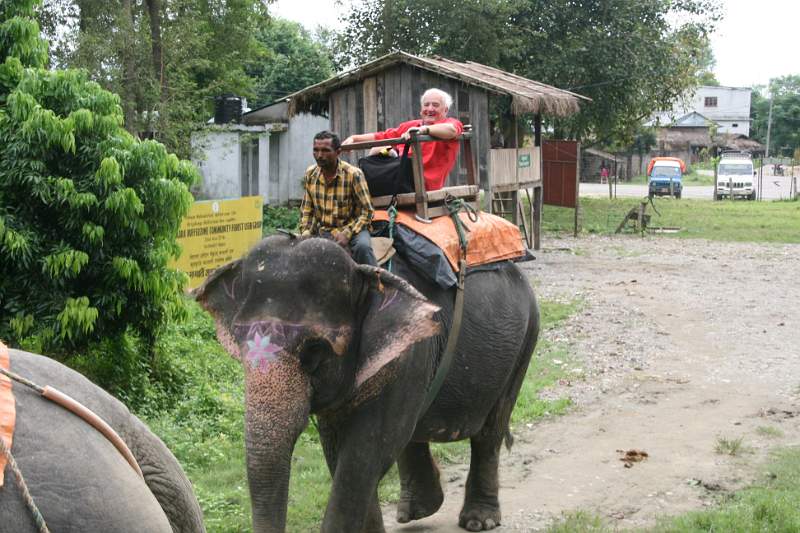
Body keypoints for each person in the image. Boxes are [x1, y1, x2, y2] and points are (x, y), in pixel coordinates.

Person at [342, 88, 464, 191]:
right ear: (421, 109)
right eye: (426, 105)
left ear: (445, 110)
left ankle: (392, 157)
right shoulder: (410, 125)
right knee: (376, 150)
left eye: (435, 105)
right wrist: (354, 138)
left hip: (423, 184)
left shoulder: (450, 123)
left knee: (386, 157)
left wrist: (423, 130)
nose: (430, 109)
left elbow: (452, 130)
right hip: (398, 176)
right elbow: (382, 136)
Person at [300, 131, 377, 266]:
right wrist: (306, 232)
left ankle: (375, 283)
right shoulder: (310, 174)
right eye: (316, 150)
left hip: (353, 230)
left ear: (338, 152)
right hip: (324, 230)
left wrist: (347, 233)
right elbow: (307, 210)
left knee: (363, 248)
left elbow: (368, 211)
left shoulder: (354, 175)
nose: (319, 155)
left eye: (325, 150)